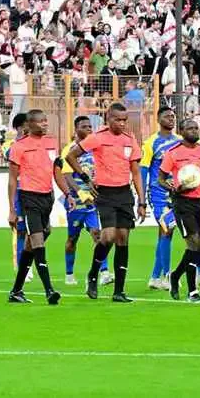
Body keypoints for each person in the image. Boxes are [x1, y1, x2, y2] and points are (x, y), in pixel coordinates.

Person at [66, 103, 146, 302]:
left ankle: (119, 291)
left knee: (123, 238)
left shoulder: (130, 140)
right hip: (105, 193)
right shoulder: (98, 137)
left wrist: (142, 201)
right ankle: (93, 274)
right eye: (117, 120)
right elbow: (70, 156)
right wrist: (85, 179)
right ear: (108, 118)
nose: (121, 123)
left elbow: (135, 171)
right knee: (108, 236)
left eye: (124, 120)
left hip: (124, 193)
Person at [6, 109, 70, 304]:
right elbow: (12, 179)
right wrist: (11, 209)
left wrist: (67, 193)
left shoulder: (51, 143)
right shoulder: (19, 147)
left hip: (47, 197)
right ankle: (49, 290)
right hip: (28, 197)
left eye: (45, 121)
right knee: (38, 242)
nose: (44, 124)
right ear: (30, 124)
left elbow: (56, 171)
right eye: (40, 122)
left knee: (32, 244)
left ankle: (16, 291)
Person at [158, 118, 200, 303]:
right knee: (193, 242)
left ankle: (175, 275)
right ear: (182, 131)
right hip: (182, 203)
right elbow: (161, 178)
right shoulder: (173, 153)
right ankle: (192, 291)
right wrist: (171, 187)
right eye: (190, 128)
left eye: (196, 128)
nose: (194, 131)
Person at [61, 116, 110, 286]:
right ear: (76, 129)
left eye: (90, 126)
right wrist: (79, 191)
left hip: (92, 203)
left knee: (97, 234)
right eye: (84, 126)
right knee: (72, 239)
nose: (89, 129)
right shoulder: (70, 149)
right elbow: (66, 175)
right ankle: (69, 273)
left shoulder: (95, 149)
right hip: (76, 202)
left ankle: (104, 272)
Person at [140, 107, 181, 290]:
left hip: (177, 195)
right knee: (167, 229)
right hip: (158, 194)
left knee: (165, 234)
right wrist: (141, 200)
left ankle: (155, 277)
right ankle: (167, 276)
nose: (171, 119)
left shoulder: (180, 141)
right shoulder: (151, 143)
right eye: (167, 116)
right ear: (158, 119)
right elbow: (143, 172)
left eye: (173, 116)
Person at [2, 112, 29, 280]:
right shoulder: (9, 144)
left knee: (37, 230)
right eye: (27, 124)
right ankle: (21, 267)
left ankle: (29, 263)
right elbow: (9, 155)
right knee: (20, 230)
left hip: (33, 188)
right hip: (18, 190)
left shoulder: (35, 143)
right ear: (20, 127)